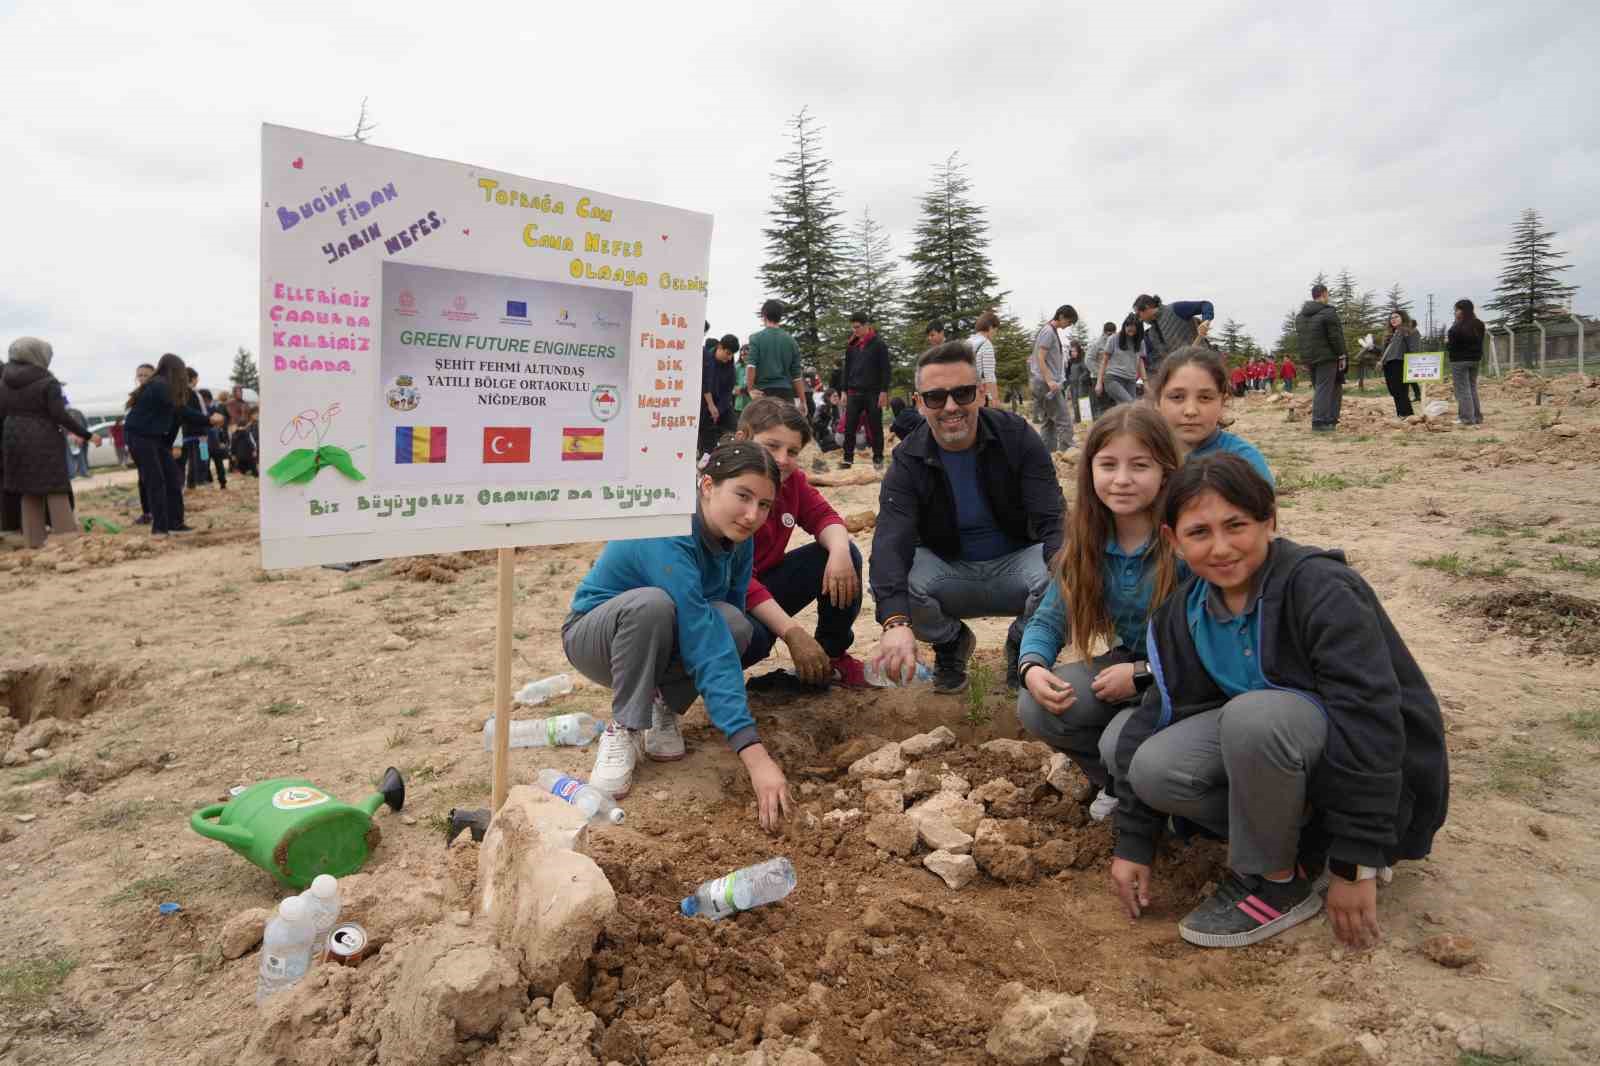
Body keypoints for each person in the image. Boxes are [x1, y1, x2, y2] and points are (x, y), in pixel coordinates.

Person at [1100, 454, 1449, 949]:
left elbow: (1370, 721)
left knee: (1255, 716)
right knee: (1151, 764)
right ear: (1173, 541)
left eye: (1236, 525)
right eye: (1199, 533)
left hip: (1365, 771)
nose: (1221, 548)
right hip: (1284, 754)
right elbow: (1156, 714)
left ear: (1269, 522)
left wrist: (1357, 858)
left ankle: (1276, 880)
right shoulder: (1182, 613)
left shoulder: (1320, 589)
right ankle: (1303, 849)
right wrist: (1134, 842)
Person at [563, 441, 794, 828]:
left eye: (765, 505)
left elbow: (719, 630)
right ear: (707, 485)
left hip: (663, 639)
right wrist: (753, 753)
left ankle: (663, 705)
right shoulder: (668, 526)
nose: (753, 514)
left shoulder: (739, 539)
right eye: (742, 496)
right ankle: (624, 725)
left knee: (734, 623)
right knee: (653, 604)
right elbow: (699, 633)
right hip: (596, 637)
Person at [1016, 405, 1183, 822]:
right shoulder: (1089, 538)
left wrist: (1145, 673)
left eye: (1139, 465)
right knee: (1037, 705)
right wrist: (1032, 666)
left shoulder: (1185, 536)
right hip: (1129, 669)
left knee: (1118, 741)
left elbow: (1210, 641)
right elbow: (1051, 617)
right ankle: (1115, 780)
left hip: (1190, 678)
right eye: (1108, 464)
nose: (1122, 479)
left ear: (1165, 470)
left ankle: (1161, 798)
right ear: (1090, 470)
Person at [870, 342, 1065, 694]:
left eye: (962, 393)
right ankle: (951, 643)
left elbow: (1053, 518)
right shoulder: (907, 459)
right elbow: (890, 539)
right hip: (949, 570)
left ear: (980, 394)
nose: (950, 407)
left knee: (1068, 572)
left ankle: (1025, 644)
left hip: (1018, 565)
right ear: (918, 402)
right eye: (935, 397)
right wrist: (894, 622)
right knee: (892, 585)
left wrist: (1073, 571)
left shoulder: (1017, 436)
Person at [732, 399, 869, 688]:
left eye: (792, 451)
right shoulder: (724, 490)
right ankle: (705, 681)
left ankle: (831, 659)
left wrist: (840, 551)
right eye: (772, 446)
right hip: (726, 598)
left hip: (760, 584)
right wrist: (792, 632)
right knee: (753, 636)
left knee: (842, 555)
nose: (782, 459)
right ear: (742, 439)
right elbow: (735, 578)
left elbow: (824, 516)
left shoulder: (790, 480)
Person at [0, 337, 97, 549]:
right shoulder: (47, 381)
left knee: (27, 489)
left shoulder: (4, 381)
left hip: (12, 437)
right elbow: (59, 415)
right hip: (42, 437)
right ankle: (66, 539)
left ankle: (33, 542)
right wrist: (88, 435)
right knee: (55, 487)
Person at [1152, 346, 1274, 485]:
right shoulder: (1141, 457)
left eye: (1205, 398)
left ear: (1223, 402)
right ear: (1157, 402)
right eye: (1177, 397)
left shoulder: (1244, 463)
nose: (1190, 411)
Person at [124, 353, 208, 535]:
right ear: (175, 370)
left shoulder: (164, 387)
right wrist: (208, 420)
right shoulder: (160, 385)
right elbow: (181, 410)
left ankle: (175, 524)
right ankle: (160, 528)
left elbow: (176, 417)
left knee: (172, 478)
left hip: (156, 439)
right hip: (140, 437)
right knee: (156, 481)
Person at [839, 312, 891, 470]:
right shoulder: (851, 345)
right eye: (853, 327)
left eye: (857, 327)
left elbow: (886, 369)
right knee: (849, 427)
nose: (855, 330)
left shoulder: (879, 344)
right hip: (854, 392)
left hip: (873, 393)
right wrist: (843, 391)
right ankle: (847, 459)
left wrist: (884, 391)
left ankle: (878, 458)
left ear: (866, 325)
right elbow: (846, 369)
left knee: (875, 427)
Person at [1296, 283, 1347, 433]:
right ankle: (1319, 422)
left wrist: (1305, 360)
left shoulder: (1300, 316)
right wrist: (1342, 354)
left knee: (1332, 387)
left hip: (1310, 359)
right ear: (1324, 294)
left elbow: (1302, 340)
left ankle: (1331, 419)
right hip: (1327, 357)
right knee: (1325, 389)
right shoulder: (1328, 312)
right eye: (1327, 294)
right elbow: (1336, 336)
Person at [1030, 305, 1079, 453]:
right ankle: (1069, 453)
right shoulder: (1048, 332)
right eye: (1069, 322)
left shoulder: (1050, 331)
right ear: (1062, 316)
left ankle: (1048, 454)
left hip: (1041, 382)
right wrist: (1050, 380)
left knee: (1049, 421)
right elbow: (1040, 358)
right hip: (1046, 383)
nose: (1069, 325)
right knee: (1064, 420)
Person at [1133, 295, 1214, 375]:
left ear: (1146, 307)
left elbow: (1206, 304)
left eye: (1138, 315)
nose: (1139, 319)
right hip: (1183, 371)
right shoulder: (1151, 334)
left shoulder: (1175, 309)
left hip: (1203, 362)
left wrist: (1205, 321)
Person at [746, 300, 804, 407]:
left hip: (763, 394)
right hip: (786, 395)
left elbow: (751, 366)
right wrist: (803, 401)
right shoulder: (792, 341)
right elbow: (797, 376)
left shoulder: (756, 338)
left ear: (764, 315)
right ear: (780, 317)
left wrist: (750, 389)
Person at [699, 333, 739, 457]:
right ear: (720, 347)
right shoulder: (705, 357)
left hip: (722, 404)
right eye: (727, 353)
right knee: (707, 442)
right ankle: (705, 460)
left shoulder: (730, 365)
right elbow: (705, 383)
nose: (729, 357)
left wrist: (719, 409)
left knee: (733, 429)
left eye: (732, 354)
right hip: (704, 403)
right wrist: (711, 406)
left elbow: (728, 390)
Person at [1447, 299, 1486, 426]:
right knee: (1472, 387)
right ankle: (1477, 416)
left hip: (1459, 361)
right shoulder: (1479, 324)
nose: (1455, 312)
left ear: (1462, 310)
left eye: (1457, 310)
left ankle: (1466, 418)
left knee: (1463, 390)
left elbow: (1451, 346)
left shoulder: (1457, 327)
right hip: (1475, 360)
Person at [1097, 314, 1146, 409]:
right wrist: (1099, 383)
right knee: (1132, 405)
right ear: (1124, 326)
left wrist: (1146, 382)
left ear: (1138, 328)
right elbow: (1104, 361)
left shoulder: (1140, 342)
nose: (1130, 329)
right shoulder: (1114, 339)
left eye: (1133, 327)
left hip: (1131, 380)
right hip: (1113, 379)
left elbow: (1140, 362)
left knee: (1125, 410)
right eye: (1127, 326)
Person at [1380, 312, 1420, 418]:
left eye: (1396, 317)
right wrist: (1371, 347)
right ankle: (1400, 414)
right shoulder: (1390, 334)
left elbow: (1414, 349)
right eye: (1391, 318)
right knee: (1393, 391)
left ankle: (1407, 414)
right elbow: (1384, 352)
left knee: (1401, 391)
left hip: (1401, 362)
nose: (1393, 319)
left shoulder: (1410, 331)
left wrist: (1412, 365)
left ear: (1403, 317)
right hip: (1388, 364)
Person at [969, 310, 1000, 408]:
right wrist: (995, 399)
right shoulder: (986, 344)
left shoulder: (968, 341)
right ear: (990, 327)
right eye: (995, 330)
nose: (995, 333)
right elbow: (989, 375)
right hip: (979, 393)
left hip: (966, 392)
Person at [200, 389, 229, 489]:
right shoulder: (204, 410)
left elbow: (221, 426)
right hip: (205, 441)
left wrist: (222, 440)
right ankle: (211, 482)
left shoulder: (214, 409)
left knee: (215, 462)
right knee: (206, 462)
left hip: (210, 441)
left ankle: (221, 482)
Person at [231, 408, 260, 477]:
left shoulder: (234, 434)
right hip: (248, 453)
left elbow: (233, 444)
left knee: (242, 465)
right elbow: (250, 442)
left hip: (239, 454)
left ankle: (243, 472)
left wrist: (233, 453)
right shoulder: (247, 433)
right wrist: (254, 449)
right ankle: (255, 474)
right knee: (252, 464)